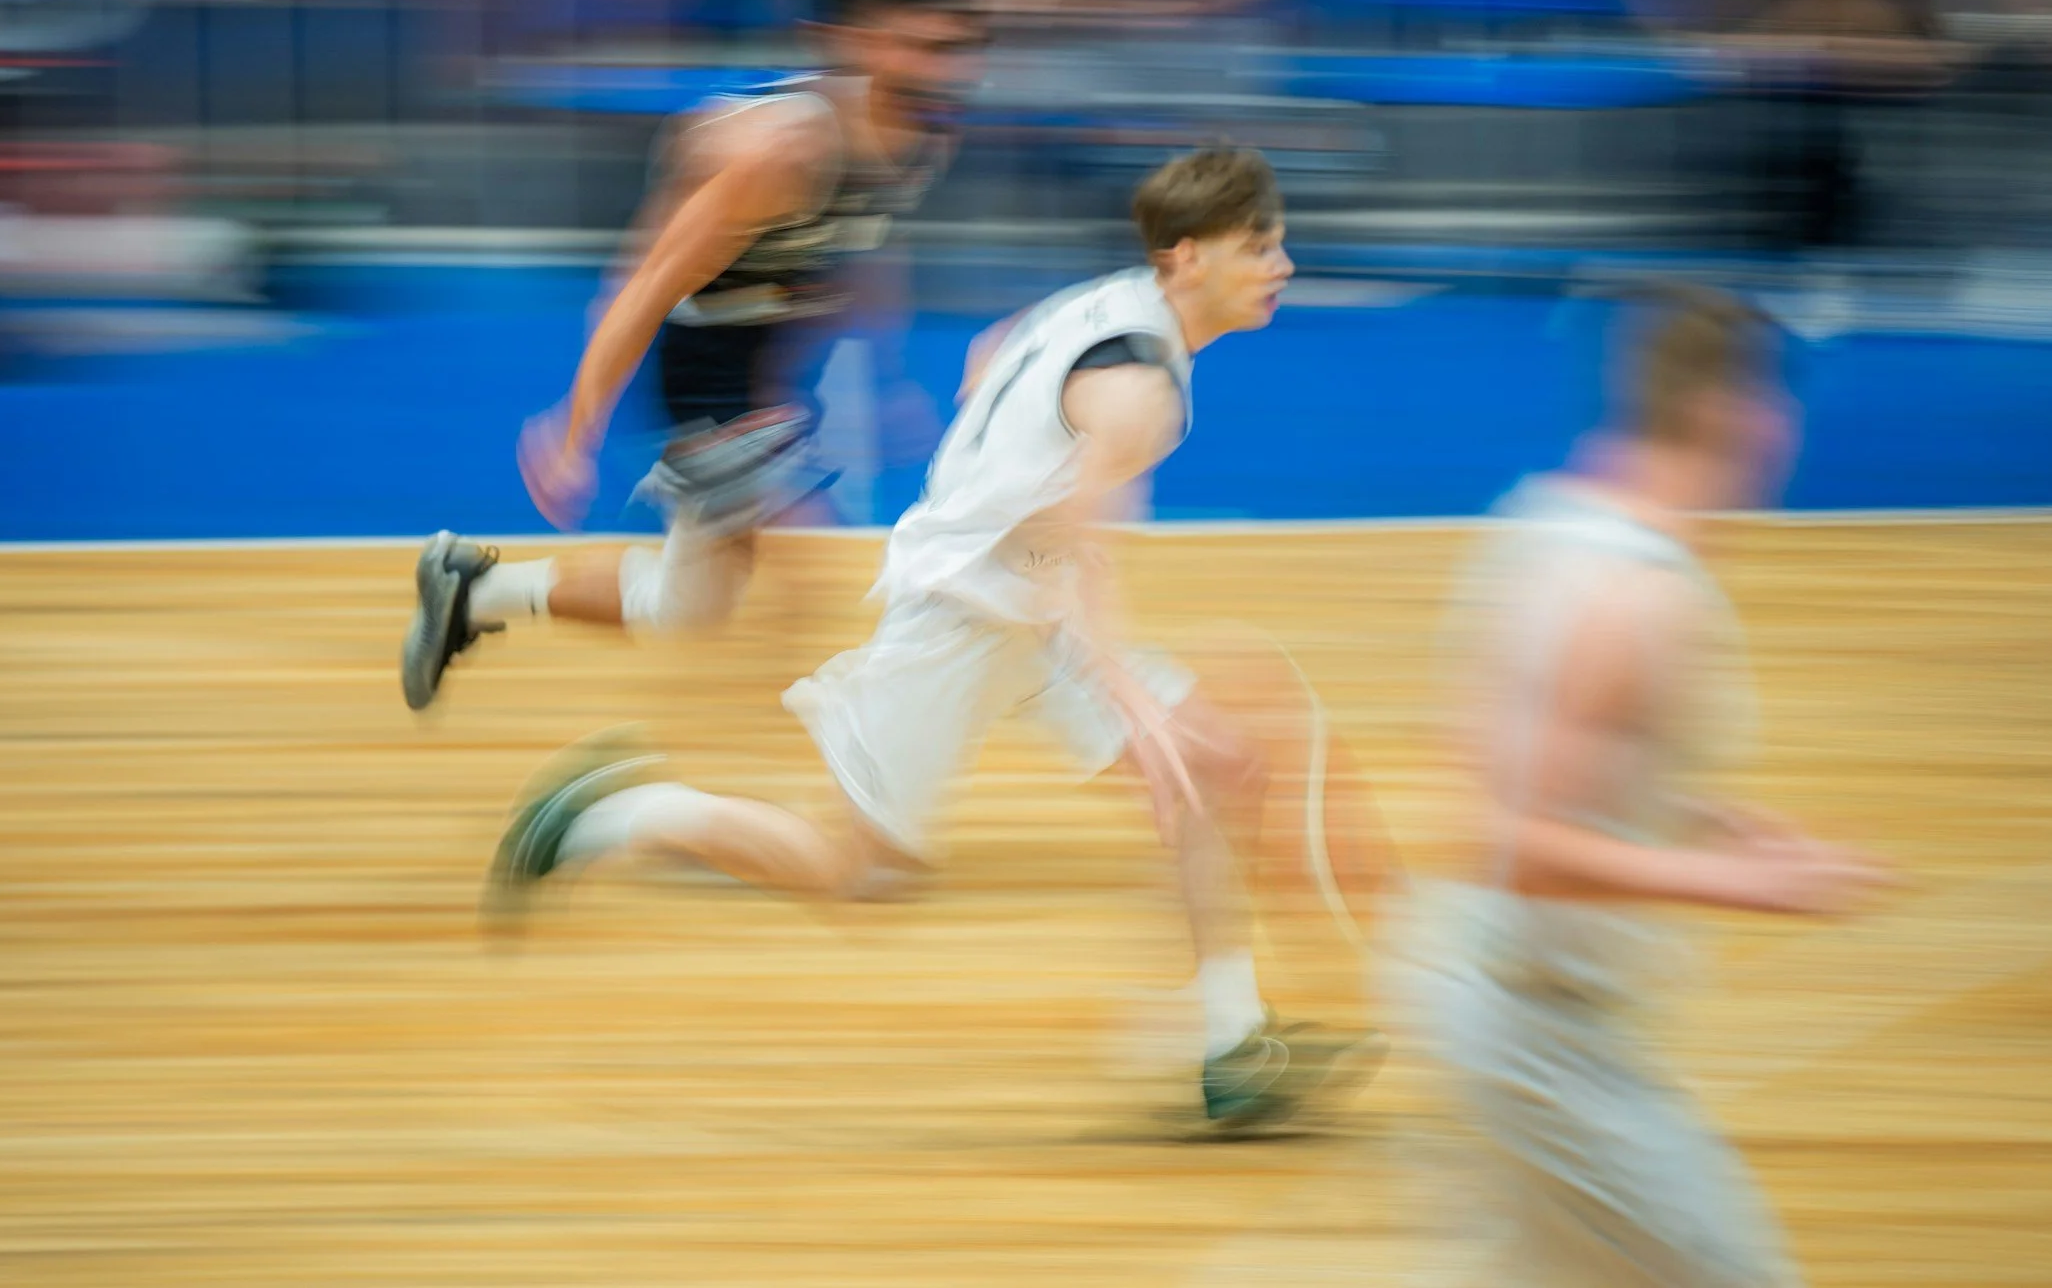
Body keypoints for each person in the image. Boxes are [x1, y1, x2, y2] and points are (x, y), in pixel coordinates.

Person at [483, 146, 1381, 1129]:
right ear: (1184, 258)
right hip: (962, 615)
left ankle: (1228, 1041)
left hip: (1020, 606)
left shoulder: (1113, 298)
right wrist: (1125, 688)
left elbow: (991, 351)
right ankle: (609, 813)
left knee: (1219, 766)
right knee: (861, 873)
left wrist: (999, 453)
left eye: (1278, 241)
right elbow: (1085, 547)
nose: (1280, 262)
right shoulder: (1141, 389)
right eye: (1257, 244)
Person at [1410, 284, 1891, 1287]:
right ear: (1727, 411)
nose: (1781, 431)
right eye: (1771, 402)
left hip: (1482, 987)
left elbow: (1569, 756)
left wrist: (1720, 821)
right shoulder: (1635, 597)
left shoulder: (1552, 516)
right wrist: (1742, 884)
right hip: (1537, 1034)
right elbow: (1518, 846)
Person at [403, 0, 986, 711]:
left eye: (959, 48)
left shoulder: (921, 136)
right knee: (807, 553)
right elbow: (642, 285)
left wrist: (884, 366)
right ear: (854, 42)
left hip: (766, 352)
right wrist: (573, 428)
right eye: (926, 45)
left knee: (687, 605)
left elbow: (865, 243)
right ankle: (845, 733)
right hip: (705, 364)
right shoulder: (780, 155)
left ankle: (474, 592)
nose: (949, 67)